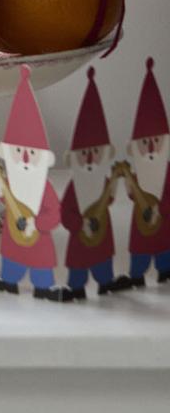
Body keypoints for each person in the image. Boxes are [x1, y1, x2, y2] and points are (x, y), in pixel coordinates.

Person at [0, 66, 63, 301]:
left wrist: (36, 222)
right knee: (11, 268)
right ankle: (9, 283)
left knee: (41, 269)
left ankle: (43, 287)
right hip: (13, 240)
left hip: (38, 239)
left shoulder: (44, 188)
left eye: (30, 153)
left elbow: (53, 213)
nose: (23, 158)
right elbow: (5, 199)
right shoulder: (12, 182)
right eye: (18, 152)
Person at [61, 68, 123, 298]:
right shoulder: (74, 187)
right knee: (78, 270)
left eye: (95, 153)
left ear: (105, 154)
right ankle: (76, 289)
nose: (89, 160)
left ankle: (106, 284)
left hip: (102, 237)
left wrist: (116, 181)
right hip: (80, 239)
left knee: (103, 264)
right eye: (84, 154)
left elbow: (110, 199)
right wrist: (80, 223)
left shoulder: (103, 180)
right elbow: (66, 213)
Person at [123, 58, 170, 286]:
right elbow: (133, 195)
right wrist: (128, 183)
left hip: (164, 226)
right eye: (145, 143)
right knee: (140, 253)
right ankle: (136, 275)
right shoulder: (138, 172)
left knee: (164, 251)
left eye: (156, 142)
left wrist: (161, 208)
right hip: (141, 227)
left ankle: (164, 271)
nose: (151, 148)